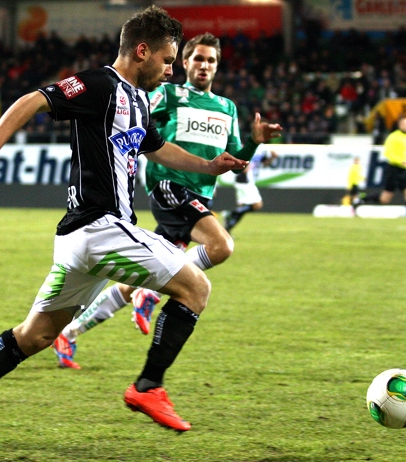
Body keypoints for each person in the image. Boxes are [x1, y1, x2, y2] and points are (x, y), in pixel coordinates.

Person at [0, 7, 249, 457]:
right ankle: (148, 387)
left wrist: (209, 166)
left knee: (34, 335)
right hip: (101, 228)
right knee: (195, 287)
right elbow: (34, 99)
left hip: (82, 243)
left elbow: (158, 149)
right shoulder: (100, 85)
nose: (171, 69)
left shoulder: (137, 100)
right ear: (142, 51)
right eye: (168, 59)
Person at [53, 32, 281, 370]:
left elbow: (233, 160)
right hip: (170, 188)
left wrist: (253, 142)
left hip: (199, 197)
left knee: (134, 281)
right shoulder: (169, 94)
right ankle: (152, 294)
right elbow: (138, 118)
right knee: (221, 246)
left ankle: (69, 334)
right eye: (199, 59)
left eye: (212, 61)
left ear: (217, 68)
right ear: (185, 62)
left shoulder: (226, 108)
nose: (205, 65)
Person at [362, 115, 406, 233]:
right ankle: (362, 199)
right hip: (394, 169)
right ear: (400, 125)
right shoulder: (393, 137)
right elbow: (388, 154)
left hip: (405, 171)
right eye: (405, 124)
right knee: (385, 199)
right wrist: (403, 161)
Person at [223, 148, 278, 233]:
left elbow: (265, 164)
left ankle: (227, 229)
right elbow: (240, 161)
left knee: (242, 209)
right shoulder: (249, 147)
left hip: (245, 181)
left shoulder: (261, 149)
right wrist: (244, 166)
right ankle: (231, 213)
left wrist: (272, 157)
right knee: (257, 204)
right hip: (245, 180)